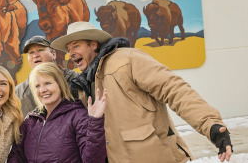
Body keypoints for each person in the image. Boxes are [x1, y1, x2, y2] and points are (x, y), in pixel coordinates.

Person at [51, 21, 233, 163]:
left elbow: (174, 89)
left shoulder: (127, 59)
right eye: (68, 49)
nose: (71, 53)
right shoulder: (84, 85)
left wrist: (210, 125)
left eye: (76, 46)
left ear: (93, 44)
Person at [8, 62, 107, 162]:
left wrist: (95, 122)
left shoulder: (78, 116)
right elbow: (15, 156)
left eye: (48, 83)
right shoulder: (29, 122)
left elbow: (93, 160)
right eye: (37, 86)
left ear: (60, 84)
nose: (42, 90)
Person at [16, 35, 85, 116]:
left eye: (40, 50)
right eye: (31, 52)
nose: (35, 55)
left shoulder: (76, 78)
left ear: (54, 54)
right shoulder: (18, 92)